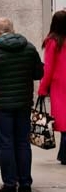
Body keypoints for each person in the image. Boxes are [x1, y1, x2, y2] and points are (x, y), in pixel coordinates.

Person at [0, 17, 43, 192]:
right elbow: (39, 73)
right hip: (23, 103)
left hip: (2, 105)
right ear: (13, 30)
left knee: (5, 143)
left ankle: (10, 184)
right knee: (22, 142)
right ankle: (25, 183)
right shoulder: (29, 48)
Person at [38, 10, 66, 164]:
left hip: (59, 85)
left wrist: (42, 88)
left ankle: (64, 154)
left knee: (63, 119)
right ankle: (63, 153)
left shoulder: (52, 42)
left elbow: (48, 68)